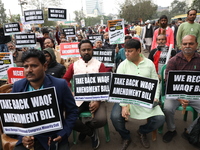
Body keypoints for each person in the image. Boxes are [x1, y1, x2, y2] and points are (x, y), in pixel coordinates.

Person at [12, 49, 78, 150]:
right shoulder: (18, 86)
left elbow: (73, 111)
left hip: (54, 137)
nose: (29, 70)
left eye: (34, 66)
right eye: (26, 66)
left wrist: (63, 133)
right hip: (30, 139)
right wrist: (22, 137)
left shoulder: (60, 85)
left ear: (45, 66)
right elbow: (14, 117)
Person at [110, 39, 165, 150]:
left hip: (145, 98)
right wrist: (124, 105)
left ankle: (142, 131)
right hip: (127, 99)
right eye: (126, 51)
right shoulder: (122, 65)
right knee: (115, 117)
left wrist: (156, 97)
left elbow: (155, 81)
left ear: (139, 50)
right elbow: (120, 88)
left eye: (130, 51)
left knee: (160, 118)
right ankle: (126, 136)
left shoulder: (149, 64)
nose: (126, 53)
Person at [63, 40, 107, 149]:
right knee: (68, 118)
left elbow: (106, 84)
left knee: (101, 120)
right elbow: (65, 80)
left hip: (96, 99)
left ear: (92, 50)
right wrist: (70, 91)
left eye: (88, 49)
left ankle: (87, 127)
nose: (86, 52)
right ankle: (91, 133)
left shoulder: (99, 65)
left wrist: (98, 101)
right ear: (80, 51)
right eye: (83, 50)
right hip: (79, 100)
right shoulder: (74, 65)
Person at [162, 35, 200, 145]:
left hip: (195, 95)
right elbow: (168, 82)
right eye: (185, 44)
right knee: (167, 108)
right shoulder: (173, 61)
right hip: (175, 95)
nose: (187, 46)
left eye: (191, 43)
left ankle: (189, 130)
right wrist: (179, 98)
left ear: (196, 45)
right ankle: (171, 129)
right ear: (180, 45)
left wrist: (191, 96)